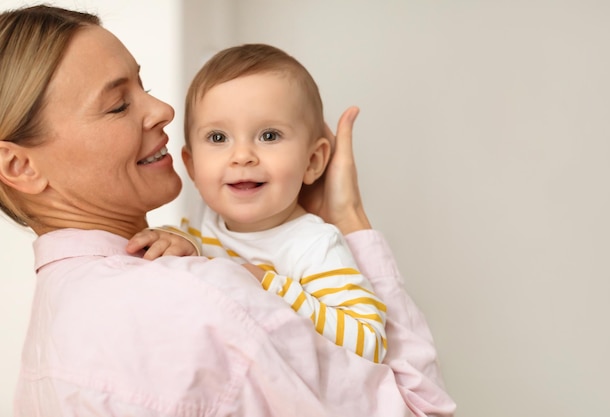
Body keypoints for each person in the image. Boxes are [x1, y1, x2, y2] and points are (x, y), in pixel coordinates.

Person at [0, 4, 456, 417]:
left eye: (145, 87)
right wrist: (351, 218)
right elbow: (423, 407)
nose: (162, 110)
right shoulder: (210, 298)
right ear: (19, 166)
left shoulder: (52, 327)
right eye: (118, 105)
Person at [128, 44, 387, 363]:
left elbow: (369, 341)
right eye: (218, 138)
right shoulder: (200, 228)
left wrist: (266, 284)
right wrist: (173, 241)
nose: (242, 157)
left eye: (269, 136)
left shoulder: (313, 245)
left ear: (313, 161)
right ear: (193, 167)